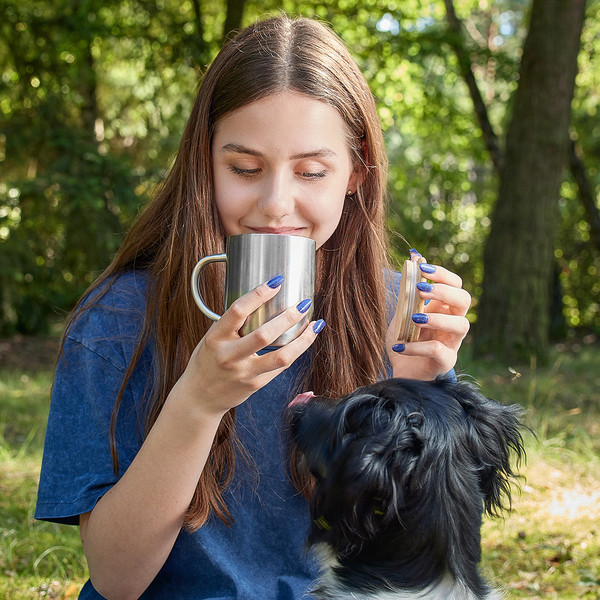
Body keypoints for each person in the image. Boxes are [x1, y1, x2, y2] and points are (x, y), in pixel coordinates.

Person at [35, 14, 471, 600]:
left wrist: (414, 398)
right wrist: (197, 400)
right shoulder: (118, 322)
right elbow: (116, 579)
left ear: (356, 173)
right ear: (204, 162)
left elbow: (407, 562)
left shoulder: (395, 313)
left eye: (311, 171)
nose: (275, 204)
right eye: (244, 169)